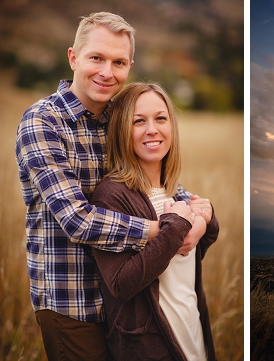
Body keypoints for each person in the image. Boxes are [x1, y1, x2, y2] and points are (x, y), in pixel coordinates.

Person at [14, 12, 207, 360]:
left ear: (129, 66)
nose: (107, 72)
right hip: (72, 302)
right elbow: (77, 220)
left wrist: (200, 213)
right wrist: (168, 229)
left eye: (118, 62)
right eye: (96, 58)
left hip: (126, 302)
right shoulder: (43, 121)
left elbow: (152, 181)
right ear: (73, 57)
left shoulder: (118, 117)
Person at [90, 82, 218, 360]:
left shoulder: (172, 191)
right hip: (150, 346)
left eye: (161, 118)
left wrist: (207, 220)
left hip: (192, 330)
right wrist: (174, 227)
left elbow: (185, 259)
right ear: (123, 130)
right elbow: (121, 285)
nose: (152, 129)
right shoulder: (111, 195)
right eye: (139, 121)